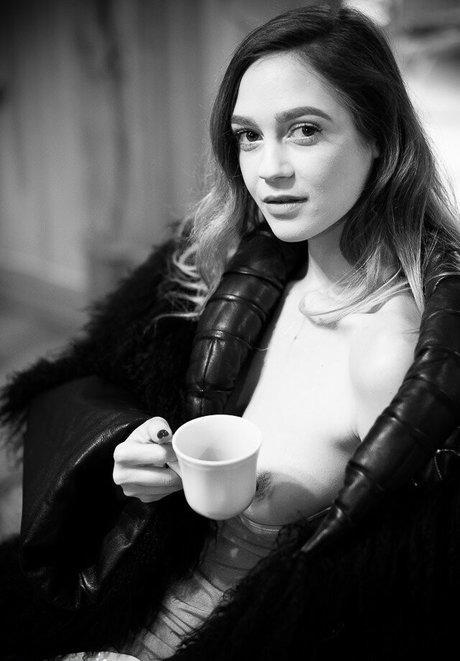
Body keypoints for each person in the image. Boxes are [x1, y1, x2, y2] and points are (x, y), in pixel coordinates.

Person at [1, 4, 460, 660]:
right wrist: (131, 456)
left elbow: (390, 605)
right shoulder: (215, 267)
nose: (269, 167)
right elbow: (97, 382)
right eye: (248, 135)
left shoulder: (388, 355)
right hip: (122, 592)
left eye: (305, 130)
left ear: (379, 137)